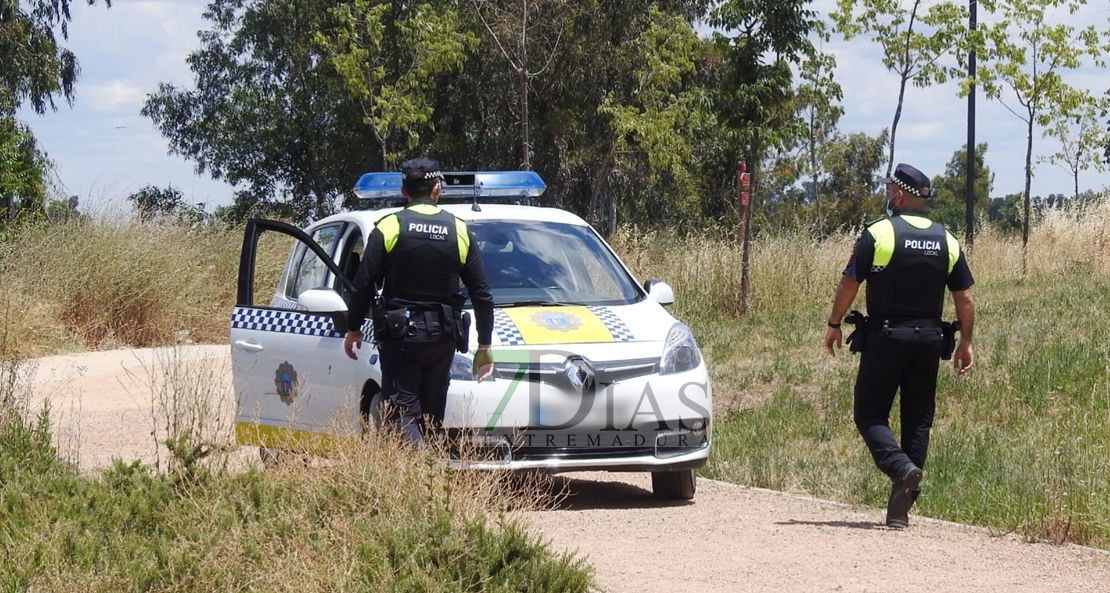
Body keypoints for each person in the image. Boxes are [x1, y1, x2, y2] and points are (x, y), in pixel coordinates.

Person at [823, 163, 976, 529]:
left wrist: (833, 324)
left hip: (886, 337)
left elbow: (850, 283)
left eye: (890, 187)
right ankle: (900, 510)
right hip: (930, 341)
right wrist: (966, 342)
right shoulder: (947, 239)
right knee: (918, 422)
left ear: (900, 193)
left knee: (869, 413)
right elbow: (965, 298)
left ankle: (901, 468)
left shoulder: (878, 233)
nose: (887, 192)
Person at [344, 157, 495, 444]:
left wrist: (353, 327)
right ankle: (426, 475)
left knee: (402, 415)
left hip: (401, 338)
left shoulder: (390, 226)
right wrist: (485, 346)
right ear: (437, 189)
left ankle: (421, 474)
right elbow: (482, 294)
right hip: (442, 337)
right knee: (430, 417)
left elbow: (363, 283)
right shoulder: (459, 229)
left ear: (404, 191)